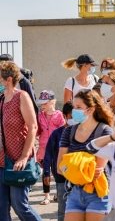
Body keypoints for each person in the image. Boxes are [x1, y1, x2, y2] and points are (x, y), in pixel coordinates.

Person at [58, 89, 114, 220]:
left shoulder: (105, 131)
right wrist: (83, 164)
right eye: (74, 107)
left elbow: (96, 171)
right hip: (74, 192)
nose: (73, 111)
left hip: (98, 194)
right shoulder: (68, 131)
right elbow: (60, 167)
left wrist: (72, 165)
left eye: (78, 107)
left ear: (91, 109)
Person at [0, 61, 42, 221]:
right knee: (1, 209)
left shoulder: (21, 96)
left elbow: (33, 126)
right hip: (2, 161)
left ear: (8, 79)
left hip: (19, 160)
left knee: (20, 205)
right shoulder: (1, 99)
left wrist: (24, 157)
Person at [42, 102, 73, 219]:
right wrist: (46, 172)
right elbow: (48, 153)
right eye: (71, 116)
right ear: (64, 116)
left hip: (78, 177)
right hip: (61, 177)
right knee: (62, 208)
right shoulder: (57, 133)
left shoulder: (82, 132)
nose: (74, 119)